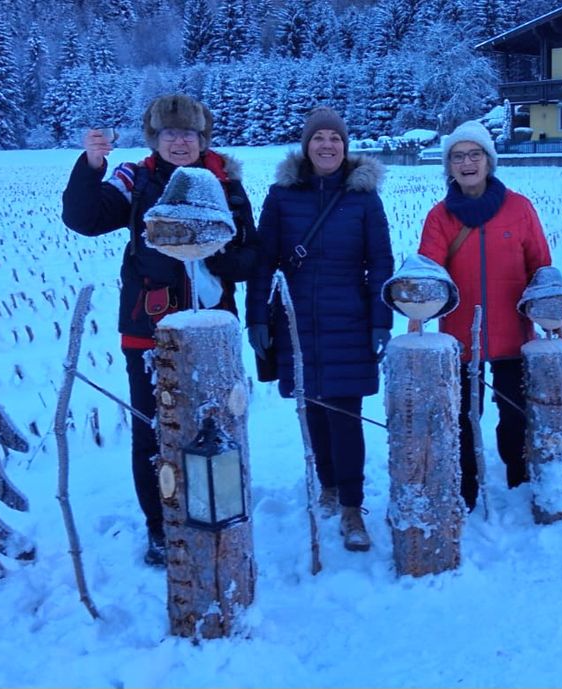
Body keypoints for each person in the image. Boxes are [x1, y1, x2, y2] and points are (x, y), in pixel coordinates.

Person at [61, 94, 258, 567]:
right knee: (154, 428)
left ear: (202, 138)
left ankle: (216, 510)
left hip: (212, 329)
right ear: (155, 138)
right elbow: (84, 219)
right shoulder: (136, 178)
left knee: (216, 424)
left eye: (188, 132)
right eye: (169, 133)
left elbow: (250, 254)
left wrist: (214, 256)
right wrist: (91, 166)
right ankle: (161, 525)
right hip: (148, 327)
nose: (179, 141)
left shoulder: (226, 182)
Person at [245, 107, 394, 552]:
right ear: (306, 146)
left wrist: (380, 320)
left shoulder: (364, 198)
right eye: (319, 138)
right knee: (311, 405)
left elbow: (380, 262)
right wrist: (257, 317)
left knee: (345, 412)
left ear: (345, 147)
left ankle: (352, 507)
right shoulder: (282, 196)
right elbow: (263, 262)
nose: (327, 145)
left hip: (349, 318)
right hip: (296, 320)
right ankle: (327, 483)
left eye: (335, 138)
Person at [417, 120, 552, 510]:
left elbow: (541, 266)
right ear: (449, 166)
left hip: (513, 333)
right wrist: (417, 309)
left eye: (474, 154)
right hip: (459, 337)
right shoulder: (440, 217)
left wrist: (548, 308)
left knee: (515, 412)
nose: (467, 163)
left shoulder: (519, 209)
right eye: (458, 157)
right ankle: (466, 486)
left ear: (489, 161)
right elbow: (429, 272)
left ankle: (520, 478)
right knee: (461, 415)